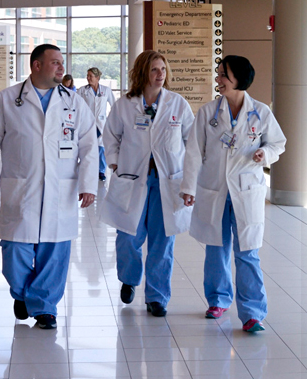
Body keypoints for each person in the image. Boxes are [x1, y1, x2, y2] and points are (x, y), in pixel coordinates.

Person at [0, 44, 99, 329]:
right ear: (36, 66)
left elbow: (90, 145)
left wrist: (88, 183)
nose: (61, 67)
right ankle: (23, 293)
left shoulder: (73, 102)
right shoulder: (7, 100)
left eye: (62, 62)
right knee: (14, 252)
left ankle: (45, 308)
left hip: (60, 189)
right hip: (21, 187)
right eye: (55, 62)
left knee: (54, 254)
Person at [181, 55, 286, 332]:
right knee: (216, 250)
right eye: (218, 74)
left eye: (223, 75)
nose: (219, 80)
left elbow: (278, 143)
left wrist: (266, 154)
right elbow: (193, 153)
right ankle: (218, 300)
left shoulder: (261, 112)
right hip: (214, 190)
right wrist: (188, 188)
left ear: (239, 78)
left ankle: (252, 312)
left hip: (245, 191)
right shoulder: (207, 113)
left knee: (248, 253)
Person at [100, 50, 194, 317]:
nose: (160, 75)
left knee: (163, 241)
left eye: (163, 69)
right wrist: (116, 163)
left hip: (167, 182)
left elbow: (193, 142)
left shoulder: (177, 104)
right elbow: (110, 136)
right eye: (154, 69)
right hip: (132, 179)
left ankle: (157, 297)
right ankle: (130, 278)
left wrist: (189, 178)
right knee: (128, 237)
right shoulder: (125, 104)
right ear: (142, 73)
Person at [78, 67, 115, 181]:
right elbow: (76, 106)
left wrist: (110, 120)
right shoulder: (82, 90)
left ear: (97, 78)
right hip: (87, 123)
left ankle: (101, 171)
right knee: (88, 147)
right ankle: (88, 170)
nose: (88, 78)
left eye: (91, 76)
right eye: (87, 75)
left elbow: (114, 106)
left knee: (101, 148)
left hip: (101, 123)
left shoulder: (106, 90)